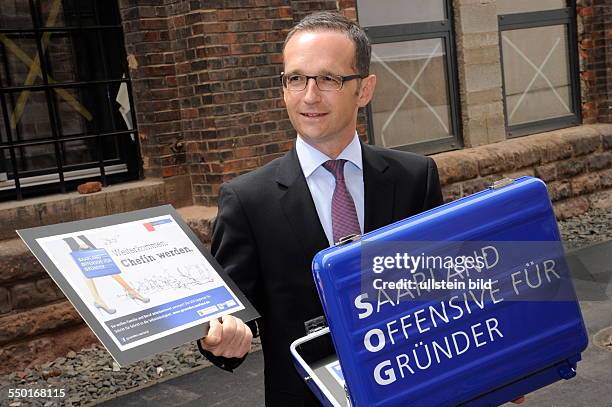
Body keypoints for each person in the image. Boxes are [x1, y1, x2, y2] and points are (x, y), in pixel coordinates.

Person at [197, 11, 443, 406]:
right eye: (296, 78)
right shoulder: (247, 200)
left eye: (328, 79)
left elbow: (442, 290)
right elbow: (229, 315)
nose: (309, 95)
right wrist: (223, 336)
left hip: (413, 392)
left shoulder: (415, 177)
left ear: (364, 89)